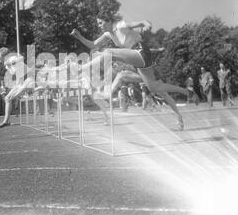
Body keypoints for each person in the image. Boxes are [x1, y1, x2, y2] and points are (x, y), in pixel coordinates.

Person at [70, 15, 200, 130]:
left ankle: (82, 68)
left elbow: (143, 22)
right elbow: (93, 44)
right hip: (138, 59)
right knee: (154, 87)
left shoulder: (120, 25)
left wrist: (147, 25)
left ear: (108, 21)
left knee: (108, 53)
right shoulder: (108, 35)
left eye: (100, 22)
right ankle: (186, 92)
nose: (99, 26)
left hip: (141, 52)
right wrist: (79, 36)